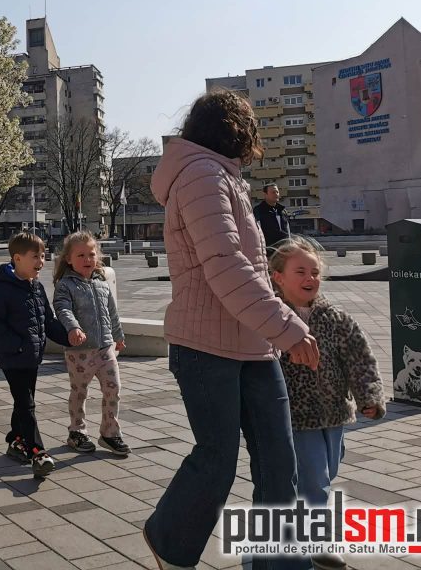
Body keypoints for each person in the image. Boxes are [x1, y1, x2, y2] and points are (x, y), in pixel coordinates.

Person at [142, 89, 319, 570]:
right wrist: (287, 327)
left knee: (279, 463)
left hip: (253, 345)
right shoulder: (200, 175)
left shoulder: (225, 177)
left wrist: (275, 329)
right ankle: (168, 539)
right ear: (235, 130)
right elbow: (227, 266)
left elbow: (250, 267)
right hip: (205, 347)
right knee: (217, 460)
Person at [271, 236, 385, 570]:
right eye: (300, 271)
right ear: (278, 277)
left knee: (328, 471)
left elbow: (360, 360)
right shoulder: (273, 319)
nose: (310, 278)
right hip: (296, 416)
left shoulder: (336, 318)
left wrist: (369, 397)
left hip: (335, 414)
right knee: (315, 480)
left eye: (315, 272)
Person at [0, 231, 73, 479]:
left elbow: (48, 321)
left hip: (31, 356)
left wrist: (69, 337)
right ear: (17, 259)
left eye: (43, 256)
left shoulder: (36, 287)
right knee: (26, 403)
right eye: (35, 256)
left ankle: (16, 439)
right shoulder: (4, 288)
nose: (41, 261)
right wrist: (17, 344)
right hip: (13, 357)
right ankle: (37, 452)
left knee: (24, 401)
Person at [52, 231, 130, 457]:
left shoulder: (101, 283)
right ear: (69, 259)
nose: (87, 259)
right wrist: (73, 328)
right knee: (79, 392)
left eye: (91, 254)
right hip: (80, 352)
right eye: (81, 255)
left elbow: (112, 312)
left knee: (113, 389)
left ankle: (110, 432)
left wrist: (118, 336)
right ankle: (77, 431)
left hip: (105, 348)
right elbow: (62, 309)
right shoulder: (65, 285)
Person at [253, 183, 292, 254]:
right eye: (273, 192)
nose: (276, 194)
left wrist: (290, 246)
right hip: (268, 251)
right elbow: (257, 233)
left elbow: (288, 230)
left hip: (284, 251)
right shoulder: (258, 210)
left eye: (277, 192)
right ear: (265, 194)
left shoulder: (282, 210)